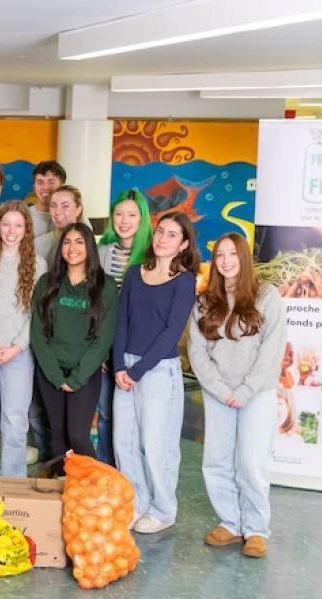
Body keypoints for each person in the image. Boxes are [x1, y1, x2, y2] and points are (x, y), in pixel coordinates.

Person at [188, 233, 286, 558]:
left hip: (256, 393)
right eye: (220, 256)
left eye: (233, 254)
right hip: (218, 394)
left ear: (244, 258)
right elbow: (197, 352)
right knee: (215, 461)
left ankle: (256, 530)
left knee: (251, 462)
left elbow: (272, 350)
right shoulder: (204, 302)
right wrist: (221, 390)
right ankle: (231, 522)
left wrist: (244, 391)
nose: (226, 261)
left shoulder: (267, 296)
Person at [113, 211, 199, 534]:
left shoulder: (185, 281)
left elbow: (171, 332)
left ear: (184, 244)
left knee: (156, 442)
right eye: (160, 232)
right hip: (126, 368)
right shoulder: (135, 274)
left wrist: (136, 371)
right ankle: (136, 504)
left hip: (159, 370)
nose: (162, 239)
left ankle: (163, 509)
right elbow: (122, 320)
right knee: (125, 441)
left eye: (172, 235)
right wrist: (121, 365)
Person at [30, 223, 118, 466]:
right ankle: (64, 491)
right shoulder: (47, 283)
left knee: (78, 435)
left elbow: (103, 339)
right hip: (51, 373)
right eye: (67, 242)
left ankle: (91, 490)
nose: (72, 248)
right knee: (57, 436)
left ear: (89, 246)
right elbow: (38, 332)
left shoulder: (105, 286)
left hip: (85, 374)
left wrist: (76, 378)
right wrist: (56, 377)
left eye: (79, 242)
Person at [0, 201, 46, 477]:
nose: (11, 231)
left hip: (20, 354)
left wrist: (16, 347)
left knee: (15, 422)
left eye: (18, 225)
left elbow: (36, 314)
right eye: (5, 224)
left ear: (26, 229)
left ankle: (13, 481)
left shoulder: (38, 265)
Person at [94, 188, 154, 465]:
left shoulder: (153, 256)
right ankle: (108, 472)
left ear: (142, 218)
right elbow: (93, 305)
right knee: (107, 414)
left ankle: (136, 477)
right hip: (105, 349)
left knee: (141, 420)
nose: (124, 220)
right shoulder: (101, 252)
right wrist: (105, 350)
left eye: (132, 214)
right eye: (119, 214)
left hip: (140, 351)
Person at [41, 184, 85, 265]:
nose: (57, 211)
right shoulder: (39, 244)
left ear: (78, 210)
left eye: (65, 206)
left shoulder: (89, 243)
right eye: (53, 206)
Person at [29, 160, 66, 242]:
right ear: (34, 187)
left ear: (62, 185)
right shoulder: (23, 217)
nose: (45, 187)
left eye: (51, 182)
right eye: (40, 182)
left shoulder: (74, 215)